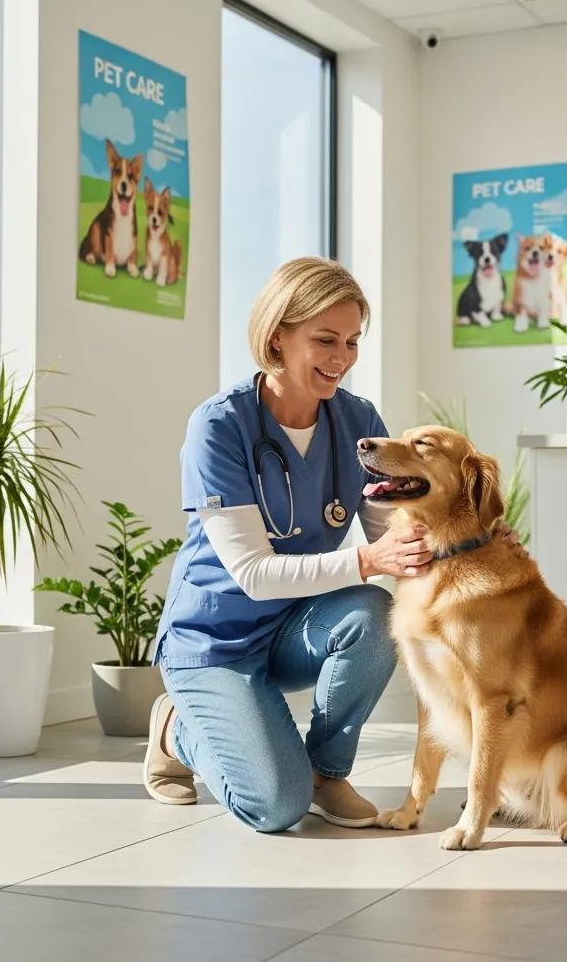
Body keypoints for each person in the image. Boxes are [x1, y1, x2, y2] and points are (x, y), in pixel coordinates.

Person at [143, 257, 521, 832]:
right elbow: (252, 573)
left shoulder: (357, 421)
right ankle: (176, 729)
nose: (341, 358)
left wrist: (479, 537)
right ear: (277, 337)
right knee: (274, 808)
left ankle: (325, 771)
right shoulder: (219, 426)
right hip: (215, 640)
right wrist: (369, 561)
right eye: (324, 340)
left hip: (295, 627)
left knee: (373, 612)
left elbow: (394, 533)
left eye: (351, 341)